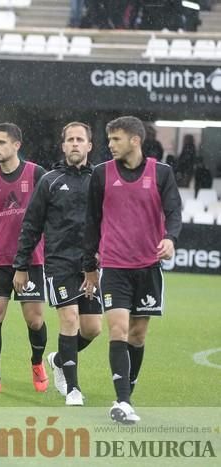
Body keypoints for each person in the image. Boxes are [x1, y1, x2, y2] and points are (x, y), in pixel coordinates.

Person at [83, 116, 181, 424]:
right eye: (109, 139)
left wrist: (170, 238)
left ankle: (128, 392)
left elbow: (174, 211)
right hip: (114, 266)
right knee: (118, 330)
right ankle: (122, 401)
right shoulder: (100, 174)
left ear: (135, 141)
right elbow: (91, 222)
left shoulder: (162, 173)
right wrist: (89, 267)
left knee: (137, 336)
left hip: (148, 267)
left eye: (116, 139)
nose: (110, 144)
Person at [13, 122, 102, 406]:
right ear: (63, 146)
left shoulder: (99, 180)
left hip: (91, 266)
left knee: (92, 329)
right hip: (60, 263)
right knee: (69, 320)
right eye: (70, 140)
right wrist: (22, 264)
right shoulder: (49, 181)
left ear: (89, 146)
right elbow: (31, 225)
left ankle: (59, 360)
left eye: (80, 139)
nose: (75, 144)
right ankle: (74, 390)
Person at [0, 122, 49, 394]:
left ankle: (37, 362)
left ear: (17, 145)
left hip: (31, 259)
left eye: (1, 143)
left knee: (35, 320)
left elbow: (47, 216)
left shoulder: (37, 174)